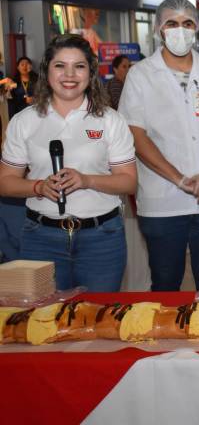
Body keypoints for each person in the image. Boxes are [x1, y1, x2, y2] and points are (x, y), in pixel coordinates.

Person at [119, 0, 199, 291]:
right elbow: (136, 135)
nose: (180, 30)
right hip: (162, 201)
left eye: (187, 23)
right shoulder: (140, 75)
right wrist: (179, 179)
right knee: (165, 282)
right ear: (159, 30)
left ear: (196, 28)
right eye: (171, 23)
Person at [0, 34, 137, 291]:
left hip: (102, 238)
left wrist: (86, 180)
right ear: (47, 71)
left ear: (91, 72)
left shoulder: (110, 120)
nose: (70, 75)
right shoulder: (25, 121)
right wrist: (39, 187)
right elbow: (6, 182)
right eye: (60, 66)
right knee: (43, 314)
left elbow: (129, 181)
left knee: (97, 313)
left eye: (79, 66)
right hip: (40, 238)